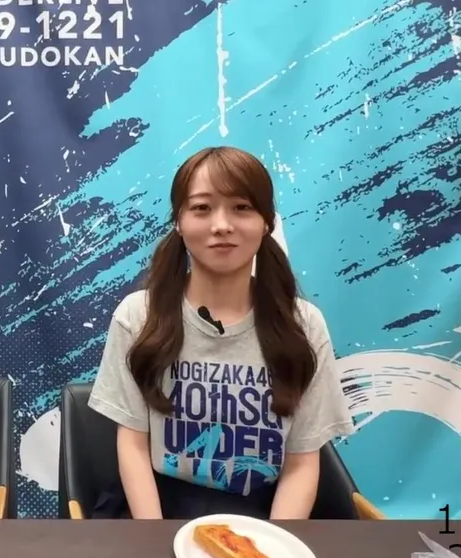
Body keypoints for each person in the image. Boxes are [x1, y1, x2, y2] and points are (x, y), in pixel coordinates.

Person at [88, 146, 354, 520]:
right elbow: (132, 445)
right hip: (157, 507)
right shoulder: (138, 316)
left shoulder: (304, 325)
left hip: (262, 509)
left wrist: (270, 544)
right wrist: (152, 539)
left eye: (242, 207)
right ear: (179, 222)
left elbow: (302, 462)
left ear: (266, 222)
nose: (222, 225)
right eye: (202, 208)